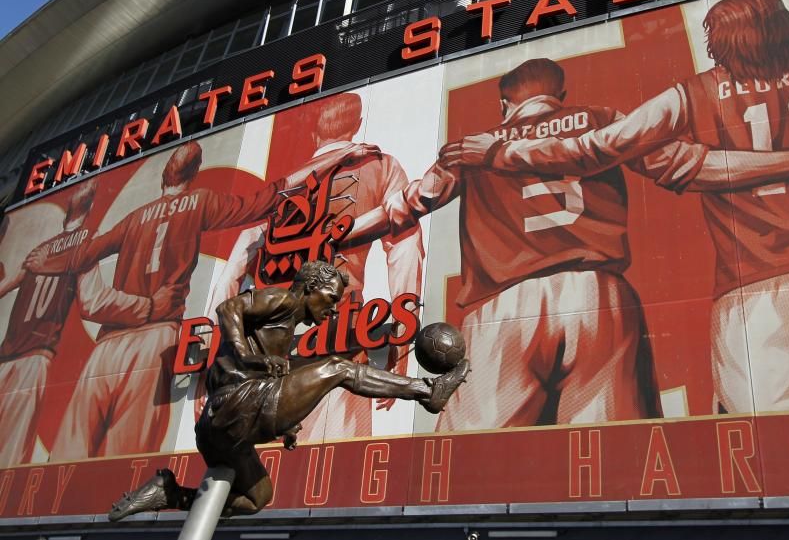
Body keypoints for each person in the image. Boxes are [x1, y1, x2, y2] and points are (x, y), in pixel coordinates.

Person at [441, 0, 789, 411]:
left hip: (765, 290)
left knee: (783, 470)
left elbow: (595, 149)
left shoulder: (692, 94)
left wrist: (499, 151)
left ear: (718, 43)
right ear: (788, 25)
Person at [347, 58, 667, 429]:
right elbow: (670, 160)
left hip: (507, 305)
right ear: (559, 95)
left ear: (504, 105)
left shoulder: (469, 148)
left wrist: (339, 233)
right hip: (598, 294)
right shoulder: (601, 119)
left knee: (472, 462)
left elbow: (407, 205)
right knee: (614, 453)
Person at [26, 138, 380, 459]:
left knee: (65, 460)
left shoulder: (133, 218)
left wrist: (45, 262)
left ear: (165, 173)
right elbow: (273, 194)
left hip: (106, 347)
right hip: (154, 339)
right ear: (196, 172)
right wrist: (341, 156)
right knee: (121, 461)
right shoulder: (199, 201)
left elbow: (85, 254)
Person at [107, 260, 468, 519]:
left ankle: (169, 493)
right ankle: (426, 390)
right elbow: (228, 306)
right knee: (338, 367)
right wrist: (249, 358)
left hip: (222, 430)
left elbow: (279, 374)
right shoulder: (284, 300)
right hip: (233, 407)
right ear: (310, 288)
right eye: (329, 298)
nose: (332, 310)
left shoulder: (284, 333)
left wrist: (286, 421)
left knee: (256, 498)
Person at [206, 93, 424, 441]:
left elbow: (231, 273)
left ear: (313, 135)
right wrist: (403, 331)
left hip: (267, 353)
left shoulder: (286, 187)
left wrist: (218, 359)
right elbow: (405, 247)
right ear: (356, 125)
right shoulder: (380, 165)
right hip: (342, 335)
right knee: (334, 469)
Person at [0, 181, 183, 467]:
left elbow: (92, 301)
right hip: (11, 356)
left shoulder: (88, 240)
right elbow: (90, 301)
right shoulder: (44, 247)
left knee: (17, 459)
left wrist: (146, 307)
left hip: (34, 355)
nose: (88, 181)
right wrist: (148, 307)